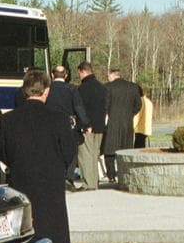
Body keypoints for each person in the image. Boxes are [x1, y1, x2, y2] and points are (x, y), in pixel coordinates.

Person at [0, 69, 77, 243]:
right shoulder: (59, 119)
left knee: (18, 242)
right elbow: (69, 152)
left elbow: (3, 154)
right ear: (47, 91)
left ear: (24, 90)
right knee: (52, 239)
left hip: (21, 186)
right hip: (50, 185)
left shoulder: (9, 120)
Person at [45, 65, 90, 184]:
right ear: (66, 75)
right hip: (68, 124)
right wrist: (86, 123)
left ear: (52, 75)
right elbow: (79, 107)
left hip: (49, 123)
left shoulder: (46, 89)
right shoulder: (72, 89)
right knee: (71, 150)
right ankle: (68, 177)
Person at [103, 68, 142, 183]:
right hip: (127, 123)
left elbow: (105, 105)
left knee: (109, 150)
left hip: (112, 123)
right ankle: (125, 173)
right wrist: (130, 114)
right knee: (126, 149)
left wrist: (108, 115)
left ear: (112, 75)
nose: (107, 78)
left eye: (108, 76)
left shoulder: (108, 87)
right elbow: (138, 105)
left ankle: (111, 175)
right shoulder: (133, 87)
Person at [76, 61, 107, 191]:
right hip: (100, 125)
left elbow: (80, 109)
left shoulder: (82, 88)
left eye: (79, 73)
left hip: (87, 126)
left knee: (85, 155)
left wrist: (84, 124)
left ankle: (88, 183)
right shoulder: (102, 87)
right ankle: (94, 182)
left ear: (83, 71)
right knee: (94, 154)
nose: (79, 76)